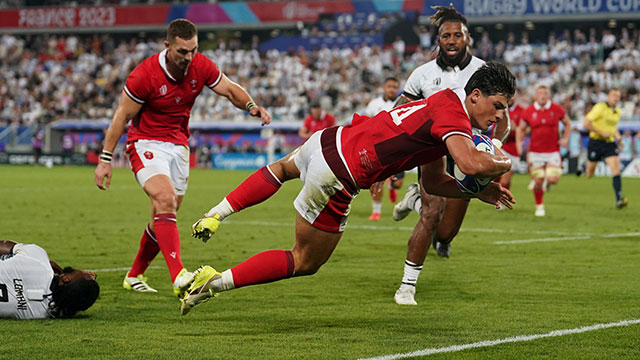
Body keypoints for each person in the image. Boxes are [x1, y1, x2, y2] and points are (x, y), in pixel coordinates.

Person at [180, 62, 517, 315]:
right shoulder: (455, 118)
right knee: (305, 260)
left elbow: (432, 181)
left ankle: (215, 214)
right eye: (498, 106)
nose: (500, 117)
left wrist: (474, 191)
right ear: (475, 96)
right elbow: (472, 164)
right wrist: (506, 161)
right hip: (341, 173)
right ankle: (212, 283)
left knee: (282, 168)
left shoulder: (444, 102)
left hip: (330, 139)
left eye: (506, 109)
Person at [93, 19, 271, 296]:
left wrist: (251, 105)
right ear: (167, 46)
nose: (189, 57)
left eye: (193, 50)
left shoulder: (201, 65)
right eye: (182, 52)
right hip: (145, 142)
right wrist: (105, 159)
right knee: (164, 200)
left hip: (178, 146)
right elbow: (122, 116)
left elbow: (229, 88)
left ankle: (134, 274)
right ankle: (179, 276)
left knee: (165, 212)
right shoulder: (144, 75)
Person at [389, 5, 510, 306]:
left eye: (458, 34)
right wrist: (393, 162)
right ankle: (406, 286)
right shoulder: (422, 75)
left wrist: (493, 145)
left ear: (468, 38)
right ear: (438, 40)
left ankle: (416, 201)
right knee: (431, 216)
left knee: (445, 232)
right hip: (432, 150)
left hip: (467, 152)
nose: (452, 40)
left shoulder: (484, 71)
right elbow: (398, 114)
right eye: (446, 35)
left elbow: (502, 117)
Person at [0, 240, 99, 319]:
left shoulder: (38, 258)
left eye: (87, 275)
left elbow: (5, 245)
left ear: (66, 279)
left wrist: (47, 265)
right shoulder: (40, 314)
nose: (87, 272)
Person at [516, 85, 571, 216]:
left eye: (545, 93)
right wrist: (519, 144)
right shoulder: (529, 111)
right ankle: (539, 206)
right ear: (535, 95)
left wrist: (565, 138)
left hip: (552, 151)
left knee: (553, 179)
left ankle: (547, 180)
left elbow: (568, 123)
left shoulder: (556, 109)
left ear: (549, 96)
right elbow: (521, 129)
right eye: (540, 93)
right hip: (535, 152)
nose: (543, 95)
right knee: (538, 181)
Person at [363, 77, 403, 220]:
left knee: (398, 184)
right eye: (389, 86)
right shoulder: (374, 104)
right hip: (378, 147)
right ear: (384, 88)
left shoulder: (403, 103)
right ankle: (376, 211)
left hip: (399, 147)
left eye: (394, 86)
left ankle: (392, 186)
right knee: (375, 180)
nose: (392, 89)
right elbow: (366, 123)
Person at [583, 88, 628, 209]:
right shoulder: (599, 107)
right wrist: (600, 132)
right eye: (614, 95)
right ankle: (584, 166)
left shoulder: (617, 111)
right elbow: (586, 123)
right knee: (589, 174)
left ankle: (619, 199)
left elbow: (613, 128)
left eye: (618, 96)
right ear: (608, 96)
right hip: (596, 142)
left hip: (609, 144)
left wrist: (619, 139)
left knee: (616, 169)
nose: (616, 98)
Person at [499, 97, 525, 190]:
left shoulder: (522, 111)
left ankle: (502, 200)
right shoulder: (498, 107)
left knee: (506, 179)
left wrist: (517, 129)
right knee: (500, 176)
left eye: (513, 95)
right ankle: (499, 202)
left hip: (513, 149)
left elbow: (528, 130)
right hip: (500, 146)